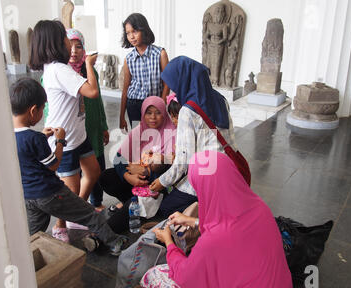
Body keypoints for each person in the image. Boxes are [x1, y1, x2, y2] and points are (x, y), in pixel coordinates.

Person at [140, 150, 294, 288]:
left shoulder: (213, 241)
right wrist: (193, 221)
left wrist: (169, 243)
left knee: (153, 276)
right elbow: (233, 230)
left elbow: (185, 276)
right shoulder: (260, 208)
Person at [10, 78, 127, 255]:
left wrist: (42, 136)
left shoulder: (10, 137)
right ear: (33, 110)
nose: (42, 112)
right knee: (90, 214)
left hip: (28, 196)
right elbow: (53, 164)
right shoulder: (35, 139)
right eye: (42, 109)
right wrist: (60, 140)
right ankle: (114, 243)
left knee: (35, 232)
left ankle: (28, 258)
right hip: (50, 193)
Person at [29, 20, 100, 242]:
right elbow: (92, 92)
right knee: (66, 192)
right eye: (65, 37)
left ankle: (74, 214)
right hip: (65, 140)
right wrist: (89, 63)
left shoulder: (58, 68)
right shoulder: (59, 70)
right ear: (56, 42)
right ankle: (61, 225)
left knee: (93, 172)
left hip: (79, 136)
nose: (69, 42)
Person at [150, 56, 237, 218]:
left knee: (165, 209)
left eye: (173, 85)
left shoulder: (188, 111)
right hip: (230, 170)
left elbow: (183, 161)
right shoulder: (220, 99)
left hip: (208, 176)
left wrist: (162, 182)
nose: (173, 90)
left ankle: (201, 215)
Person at [99, 96, 176, 233]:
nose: (153, 117)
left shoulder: (172, 134)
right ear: (143, 114)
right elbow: (118, 158)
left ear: (164, 114)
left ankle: (102, 235)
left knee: (125, 214)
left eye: (158, 112)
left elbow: (171, 168)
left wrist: (145, 171)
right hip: (136, 182)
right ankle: (130, 201)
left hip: (156, 187)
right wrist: (128, 176)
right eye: (148, 112)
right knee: (106, 177)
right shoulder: (139, 130)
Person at [66, 28, 109, 212]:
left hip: (92, 126)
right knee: (77, 170)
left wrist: (104, 126)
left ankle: (96, 202)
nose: (74, 51)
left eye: (78, 46)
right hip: (74, 129)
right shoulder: (63, 72)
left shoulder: (89, 71)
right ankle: (77, 208)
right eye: (69, 47)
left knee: (97, 164)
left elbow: (97, 100)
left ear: (84, 49)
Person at [120, 13, 170, 131]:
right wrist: (121, 116)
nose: (131, 36)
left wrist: (161, 105)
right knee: (138, 141)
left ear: (144, 30)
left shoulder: (160, 54)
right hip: (134, 104)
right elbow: (126, 88)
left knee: (156, 140)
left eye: (135, 31)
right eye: (128, 33)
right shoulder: (129, 59)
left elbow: (167, 83)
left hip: (154, 105)